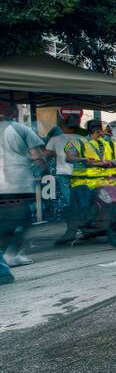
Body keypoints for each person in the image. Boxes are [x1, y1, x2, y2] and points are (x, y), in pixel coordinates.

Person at [0, 101, 48, 282]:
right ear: (13, 112)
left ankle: (6, 255)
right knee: (23, 219)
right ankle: (12, 254)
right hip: (17, 184)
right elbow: (37, 156)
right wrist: (44, 171)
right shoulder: (21, 129)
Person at [61, 119, 116, 244]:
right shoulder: (78, 142)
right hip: (84, 181)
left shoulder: (110, 143)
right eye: (100, 131)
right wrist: (84, 159)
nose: (103, 133)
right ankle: (80, 228)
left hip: (107, 180)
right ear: (96, 130)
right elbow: (70, 157)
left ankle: (108, 225)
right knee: (84, 207)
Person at [45, 113, 87, 233]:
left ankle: (73, 227)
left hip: (64, 173)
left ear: (64, 126)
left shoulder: (55, 138)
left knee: (69, 201)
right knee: (81, 200)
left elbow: (46, 154)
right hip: (80, 173)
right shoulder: (82, 139)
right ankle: (83, 224)